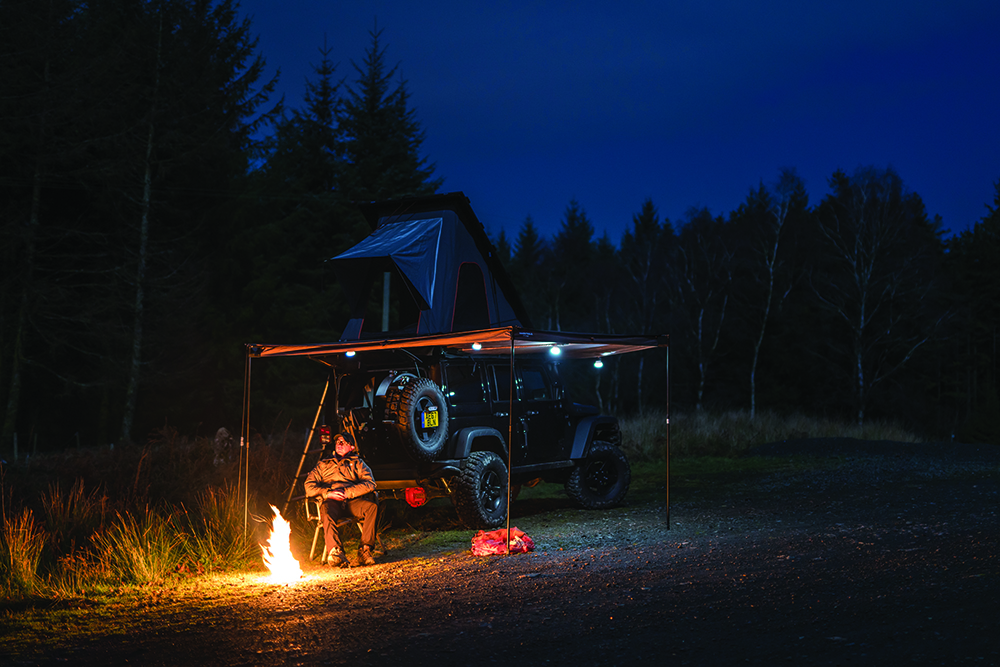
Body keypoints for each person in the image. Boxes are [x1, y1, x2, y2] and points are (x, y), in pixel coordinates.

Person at [304, 432, 378, 567]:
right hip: (331, 501)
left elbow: (370, 483)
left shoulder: (357, 463)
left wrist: (348, 492)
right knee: (325, 509)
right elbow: (308, 486)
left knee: (371, 507)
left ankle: (365, 550)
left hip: (352, 500)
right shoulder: (323, 464)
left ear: (351, 447)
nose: (339, 444)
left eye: (343, 442)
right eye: (338, 442)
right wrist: (327, 493)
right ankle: (336, 552)